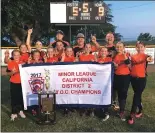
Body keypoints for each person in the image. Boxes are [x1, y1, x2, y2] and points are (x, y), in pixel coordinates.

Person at [128, 42, 153, 124]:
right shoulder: (133, 56)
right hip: (133, 78)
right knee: (137, 94)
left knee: (136, 96)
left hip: (141, 79)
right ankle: (140, 110)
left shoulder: (145, 55)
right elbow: (130, 64)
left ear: (144, 48)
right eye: (138, 47)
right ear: (136, 48)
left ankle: (131, 115)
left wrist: (149, 58)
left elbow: (149, 58)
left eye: (142, 47)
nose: (140, 48)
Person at [113, 42, 131, 121]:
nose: (119, 48)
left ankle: (122, 112)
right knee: (115, 92)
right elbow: (115, 66)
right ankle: (116, 107)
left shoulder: (126, 54)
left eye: (120, 47)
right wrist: (115, 66)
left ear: (124, 47)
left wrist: (124, 54)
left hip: (125, 77)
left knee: (122, 94)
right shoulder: (115, 55)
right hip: (116, 76)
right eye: (117, 47)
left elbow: (128, 64)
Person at [7, 50, 26, 121]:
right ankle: (14, 113)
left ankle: (20, 111)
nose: (16, 56)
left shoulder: (23, 63)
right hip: (14, 82)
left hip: (22, 83)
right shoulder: (10, 63)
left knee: (21, 97)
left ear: (20, 56)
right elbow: (8, 73)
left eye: (18, 55)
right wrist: (12, 72)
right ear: (12, 56)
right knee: (14, 98)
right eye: (15, 55)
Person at [105, 32, 119, 110]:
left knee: (114, 87)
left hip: (114, 70)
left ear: (113, 38)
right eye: (108, 36)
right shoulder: (103, 48)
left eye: (111, 37)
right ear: (105, 38)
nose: (109, 38)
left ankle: (114, 101)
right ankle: (106, 100)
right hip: (105, 71)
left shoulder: (116, 47)